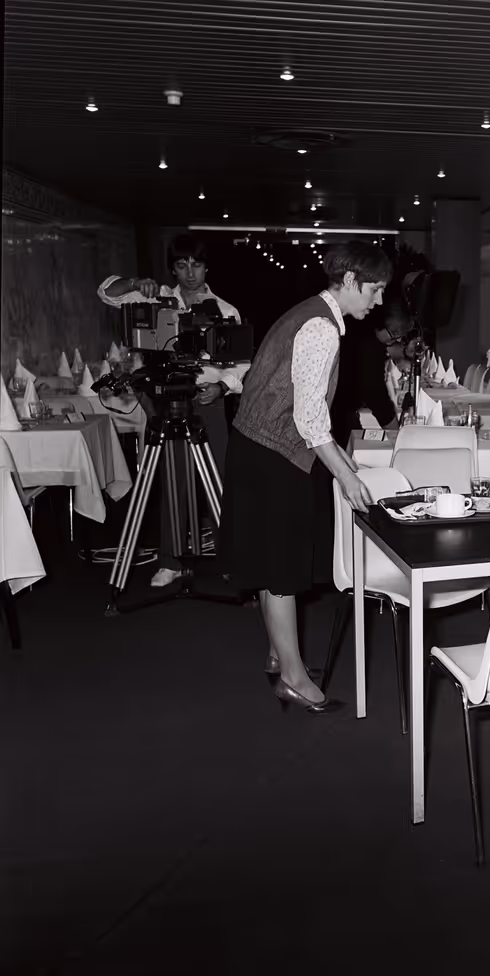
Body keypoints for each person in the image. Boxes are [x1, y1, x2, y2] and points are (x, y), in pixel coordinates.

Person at [220, 240, 391, 712]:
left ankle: (280, 654)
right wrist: (344, 474)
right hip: (273, 455)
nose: (379, 301)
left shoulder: (308, 311)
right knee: (281, 564)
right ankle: (294, 677)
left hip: (256, 448)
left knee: (269, 556)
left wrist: (338, 457)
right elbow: (310, 417)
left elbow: (268, 380)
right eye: (375, 290)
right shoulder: (320, 327)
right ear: (352, 281)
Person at [97, 234, 247, 586]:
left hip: (207, 400)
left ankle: (230, 558)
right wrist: (136, 283)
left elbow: (241, 363)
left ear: (207, 266)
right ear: (173, 269)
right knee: (171, 481)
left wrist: (223, 385)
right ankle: (171, 559)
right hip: (164, 400)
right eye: (182, 265)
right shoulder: (158, 298)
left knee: (219, 481)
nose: (190, 273)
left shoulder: (225, 310)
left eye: (196, 265)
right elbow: (106, 292)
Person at [330, 294, 412, 447]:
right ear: (379, 323)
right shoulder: (367, 344)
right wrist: (398, 435)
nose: (398, 340)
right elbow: (375, 393)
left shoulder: (363, 331)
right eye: (394, 334)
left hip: (342, 408)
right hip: (335, 412)